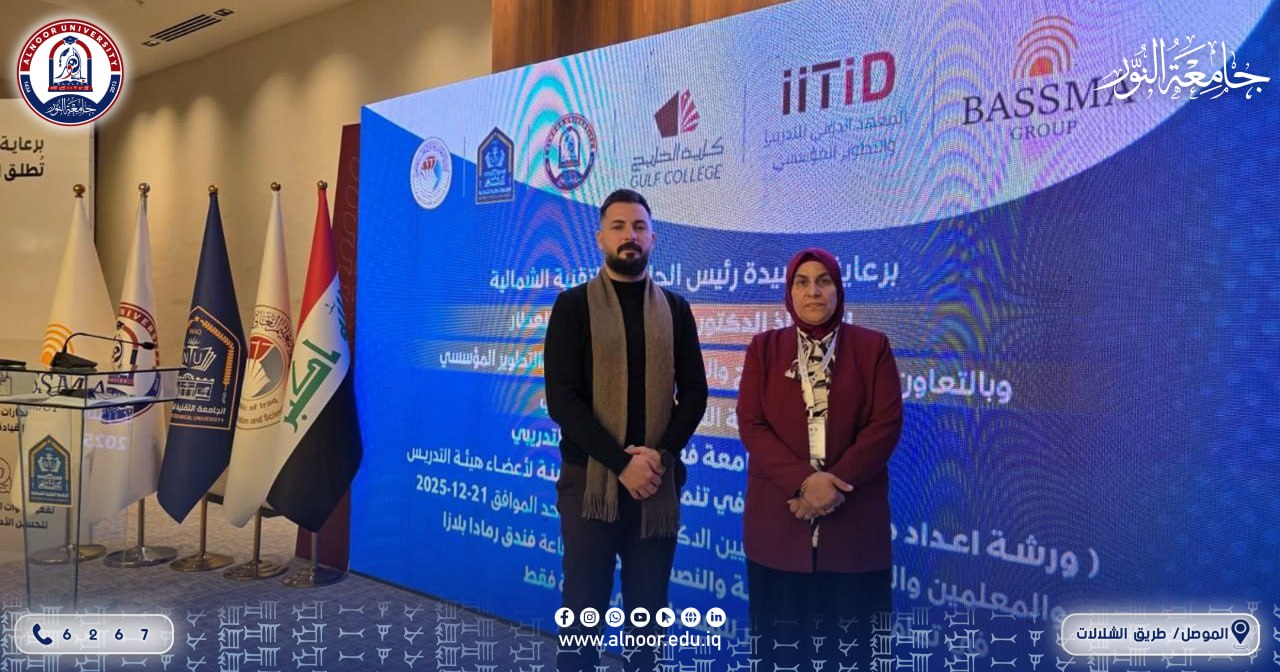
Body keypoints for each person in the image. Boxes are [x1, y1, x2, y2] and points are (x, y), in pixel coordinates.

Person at [544, 188, 708, 672]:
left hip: (655, 485)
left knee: (648, 617)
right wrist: (621, 464)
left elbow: (695, 394)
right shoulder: (572, 307)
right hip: (590, 486)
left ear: (653, 238)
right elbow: (563, 400)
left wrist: (659, 458)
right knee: (582, 611)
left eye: (639, 227)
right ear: (600, 238)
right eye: (618, 226)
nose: (629, 236)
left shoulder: (675, 310)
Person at [736, 247, 903, 671]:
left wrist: (832, 484)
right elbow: (752, 424)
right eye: (802, 282)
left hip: (854, 531)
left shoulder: (872, 348)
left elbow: (884, 426)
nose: (813, 291)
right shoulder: (764, 349)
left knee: (852, 654)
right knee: (780, 655)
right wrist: (805, 482)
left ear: (838, 289)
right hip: (778, 526)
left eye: (824, 281)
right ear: (789, 292)